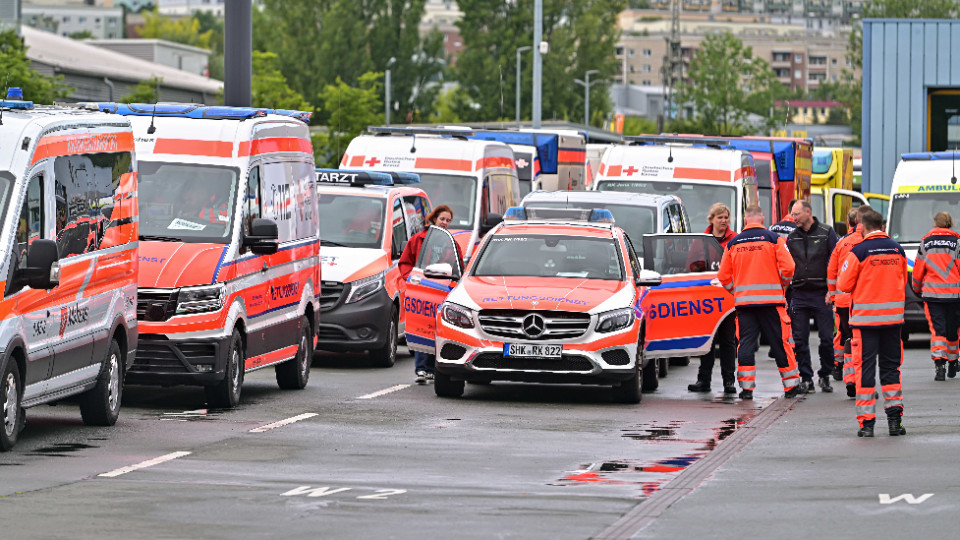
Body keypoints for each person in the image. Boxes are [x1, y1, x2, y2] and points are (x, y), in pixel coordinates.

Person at [717, 204, 800, 400]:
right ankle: (790, 387)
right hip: (772, 303)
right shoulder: (774, 239)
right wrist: (782, 286)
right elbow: (789, 268)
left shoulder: (733, 243)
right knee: (780, 343)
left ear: (746, 219)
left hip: (745, 304)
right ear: (762, 218)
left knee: (745, 344)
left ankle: (746, 389)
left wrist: (735, 290)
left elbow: (723, 276)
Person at [837, 209, 908, 437]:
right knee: (891, 370)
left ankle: (867, 425)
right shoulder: (898, 250)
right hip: (892, 321)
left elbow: (844, 285)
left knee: (865, 371)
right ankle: (895, 422)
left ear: (862, 227)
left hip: (865, 323)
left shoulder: (858, 251)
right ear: (883, 225)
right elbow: (903, 280)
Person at [398, 204, 462, 385]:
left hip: (441, 293)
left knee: (437, 331)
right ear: (434, 219)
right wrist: (411, 279)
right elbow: (405, 263)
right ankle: (421, 369)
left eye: (448, 220)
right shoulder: (418, 240)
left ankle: (433, 369)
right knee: (421, 328)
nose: (445, 223)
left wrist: (452, 287)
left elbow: (459, 269)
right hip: (421, 292)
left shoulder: (451, 243)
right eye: (442, 219)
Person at [785, 200, 839, 394]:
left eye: (797, 214)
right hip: (799, 294)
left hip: (821, 294)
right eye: (792, 214)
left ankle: (825, 375)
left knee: (826, 338)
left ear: (808, 212)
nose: (794, 218)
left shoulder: (826, 233)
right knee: (800, 340)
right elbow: (787, 265)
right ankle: (806, 378)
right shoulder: (792, 237)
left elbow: (836, 260)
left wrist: (831, 290)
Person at [689, 202, 737, 394]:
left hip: (727, 298)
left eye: (726, 217)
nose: (724, 221)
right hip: (706, 299)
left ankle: (729, 382)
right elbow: (690, 265)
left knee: (727, 341)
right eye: (720, 217)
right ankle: (704, 381)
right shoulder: (701, 240)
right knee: (707, 341)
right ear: (712, 219)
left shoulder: (734, 240)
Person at [911, 211, 960, 381]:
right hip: (954, 295)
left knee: (938, 330)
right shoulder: (957, 242)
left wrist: (916, 288)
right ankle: (953, 363)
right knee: (953, 330)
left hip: (932, 294)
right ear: (950, 223)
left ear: (935, 224)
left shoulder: (926, 242)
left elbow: (918, 269)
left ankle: (940, 365)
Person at [827, 207, 866, 398]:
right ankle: (859, 379)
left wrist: (834, 297)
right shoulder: (869, 241)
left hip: (843, 300)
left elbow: (832, 271)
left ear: (849, 223)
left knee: (846, 336)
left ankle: (844, 371)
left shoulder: (841, 243)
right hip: (864, 300)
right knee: (863, 340)